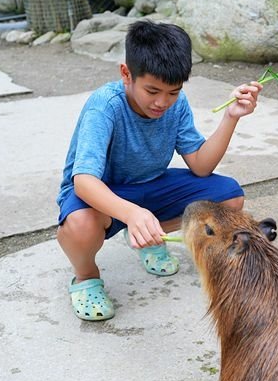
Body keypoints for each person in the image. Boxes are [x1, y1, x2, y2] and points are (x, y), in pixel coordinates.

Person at [55, 20, 262, 321]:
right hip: (103, 193)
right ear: (126, 74)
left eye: (173, 92)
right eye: (152, 90)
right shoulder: (105, 106)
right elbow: (84, 182)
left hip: (151, 185)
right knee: (80, 224)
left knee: (229, 200)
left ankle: (147, 237)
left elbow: (201, 166)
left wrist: (232, 117)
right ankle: (86, 276)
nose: (162, 102)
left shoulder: (176, 105)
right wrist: (131, 214)